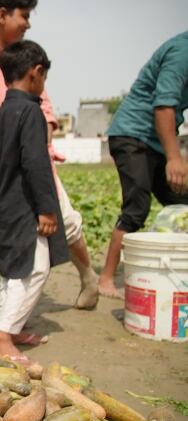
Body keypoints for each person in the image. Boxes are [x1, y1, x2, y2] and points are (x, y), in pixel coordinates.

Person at [0, 0, 99, 331]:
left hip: (33, 158)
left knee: (66, 221)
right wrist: (0, 145)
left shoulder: (26, 60)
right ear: (2, 14)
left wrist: (32, 145)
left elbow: (47, 112)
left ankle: (89, 277)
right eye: (24, 15)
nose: (28, 23)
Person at [0, 40, 70, 363]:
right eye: (44, 78)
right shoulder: (31, 112)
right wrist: (47, 208)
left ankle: (12, 327)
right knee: (33, 270)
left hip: (6, 204)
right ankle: (2, 337)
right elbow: (36, 163)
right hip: (25, 207)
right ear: (36, 73)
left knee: (13, 271)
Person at [98, 32, 188, 297]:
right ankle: (105, 278)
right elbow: (163, 107)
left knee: (182, 199)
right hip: (132, 136)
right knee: (137, 206)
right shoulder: (182, 52)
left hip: (154, 141)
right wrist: (174, 158)